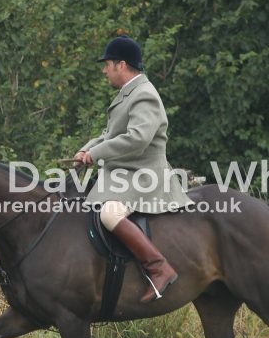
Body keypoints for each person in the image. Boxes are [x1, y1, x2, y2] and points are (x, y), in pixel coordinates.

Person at [74, 35, 192, 302]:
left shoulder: (145, 95)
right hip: (125, 171)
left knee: (109, 214)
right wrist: (86, 150)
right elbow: (109, 134)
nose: (104, 71)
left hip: (144, 174)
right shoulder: (129, 93)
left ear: (122, 65)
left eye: (107, 65)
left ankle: (159, 267)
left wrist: (96, 154)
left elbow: (138, 139)